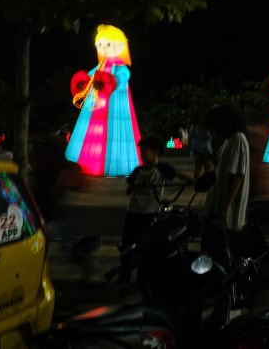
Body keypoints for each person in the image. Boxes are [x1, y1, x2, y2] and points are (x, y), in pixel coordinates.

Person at [65, 24, 143, 177]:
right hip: (95, 110)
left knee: (115, 136)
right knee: (89, 134)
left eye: (107, 44)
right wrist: (84, 83)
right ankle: (85, 162)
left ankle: (113, 167)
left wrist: (109, 81)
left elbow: (121, 78)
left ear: (120, 45)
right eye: (100, 44)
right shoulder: (98, 67)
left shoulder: (121, 68)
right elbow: (88, 78)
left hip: (117, 109)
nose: (104, 48)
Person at [119, 136, 189, 294]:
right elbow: (128, 190)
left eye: (144, 151)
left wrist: (193, 181)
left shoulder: (162, 168)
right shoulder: (137, 171)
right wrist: (135, 186)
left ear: (155, 152)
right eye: (140, 151)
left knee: (148, 247)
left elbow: (178, 174)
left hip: (151, 213)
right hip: (134, 212)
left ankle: (143, 278)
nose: (142, 154)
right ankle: (124, 280)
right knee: (128, 246)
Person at [200, 103, 251, 274]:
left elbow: (237, 176)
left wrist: (224, 209)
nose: (213, 132)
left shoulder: (237, 140)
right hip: (218, 210)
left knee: (221, 256)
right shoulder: (231, 140)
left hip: (224, 214)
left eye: (215, 127)